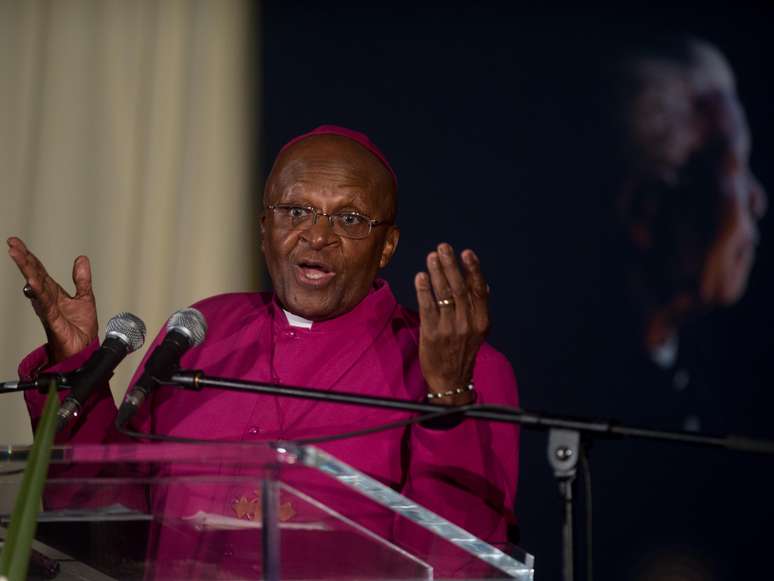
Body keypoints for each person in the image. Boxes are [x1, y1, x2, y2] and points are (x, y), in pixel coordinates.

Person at [7, 125, 520, 576]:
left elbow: (461, 566)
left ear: (386, 245)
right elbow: (109, 522)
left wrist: (449, 400)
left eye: (350, 219)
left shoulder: (456, 365)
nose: (317, 236)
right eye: (296, 210)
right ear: (264, 228)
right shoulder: (203, 330)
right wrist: (79, 367)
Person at [525, 37, 769, 580]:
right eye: (734, 166)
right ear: (644, 206)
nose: (757, 199)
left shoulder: (722, 375)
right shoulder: (558, 382)